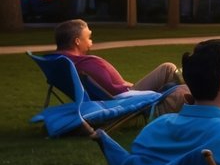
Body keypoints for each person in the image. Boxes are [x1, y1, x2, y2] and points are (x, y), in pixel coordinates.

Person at [54, 19, 190, 114]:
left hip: (121, 93)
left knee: (168, 68)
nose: (91, 42)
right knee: (180, 85)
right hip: (125, 98)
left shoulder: (63, 61)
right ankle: (180, 88)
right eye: (88, 37)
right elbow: (117, 94)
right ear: (77, 41)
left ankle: (174, 86)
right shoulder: (86, 64)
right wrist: (154, 94)